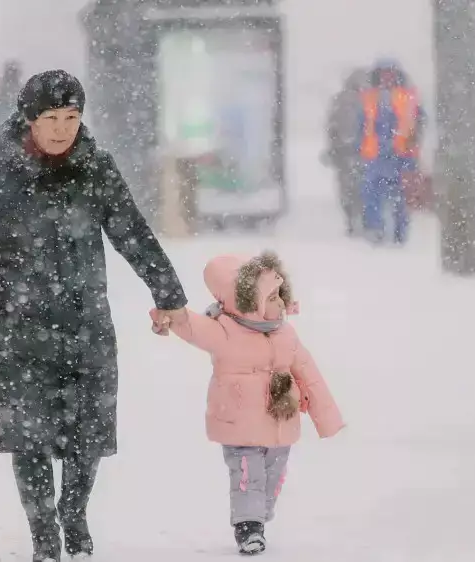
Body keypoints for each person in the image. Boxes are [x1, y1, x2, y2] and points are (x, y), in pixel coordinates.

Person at [0, 69, 188, 562]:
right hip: (15, 328)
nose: (62, 128)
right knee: (28, 438)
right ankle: (44, 535)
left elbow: (132, 231)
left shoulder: (97, 170)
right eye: (51, 118)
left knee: (87, 436)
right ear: (28, 119)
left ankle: (73, 512)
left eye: (71, 117)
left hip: (85, 323)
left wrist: (167, 293)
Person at [151, 251, 344, 555]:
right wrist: (169, 315)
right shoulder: (224, 330)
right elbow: (191, 325)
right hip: (238, 422)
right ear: (249, 302)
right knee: (246, 475)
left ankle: (258, 516)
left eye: (281, 296)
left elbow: (309, 374)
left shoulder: (285, 334)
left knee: (271, 478)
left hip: (280, 423)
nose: (281, 304)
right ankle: (249, 527)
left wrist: (327, 417)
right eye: (272, 298)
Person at [357, 59, 425, 244]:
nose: (387, 76)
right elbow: (361, 125)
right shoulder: (368, 97)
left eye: (391, 72)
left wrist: (411, 145)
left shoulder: (409, 97)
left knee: (401, 198)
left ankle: (399, 234)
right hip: (375, 156)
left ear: (397, 75)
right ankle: (375, 230)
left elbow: (418, 124)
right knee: (372, 195)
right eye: (383, 72)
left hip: (402, 156)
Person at [323, 68, 370, 236]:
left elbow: (331, 127)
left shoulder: (340, 100)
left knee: (348, 188)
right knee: (358, 187)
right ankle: (358, 219)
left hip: (347, 152)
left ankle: (352, 219)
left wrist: (333, 147)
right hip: (357, 152)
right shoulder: (367, 100)